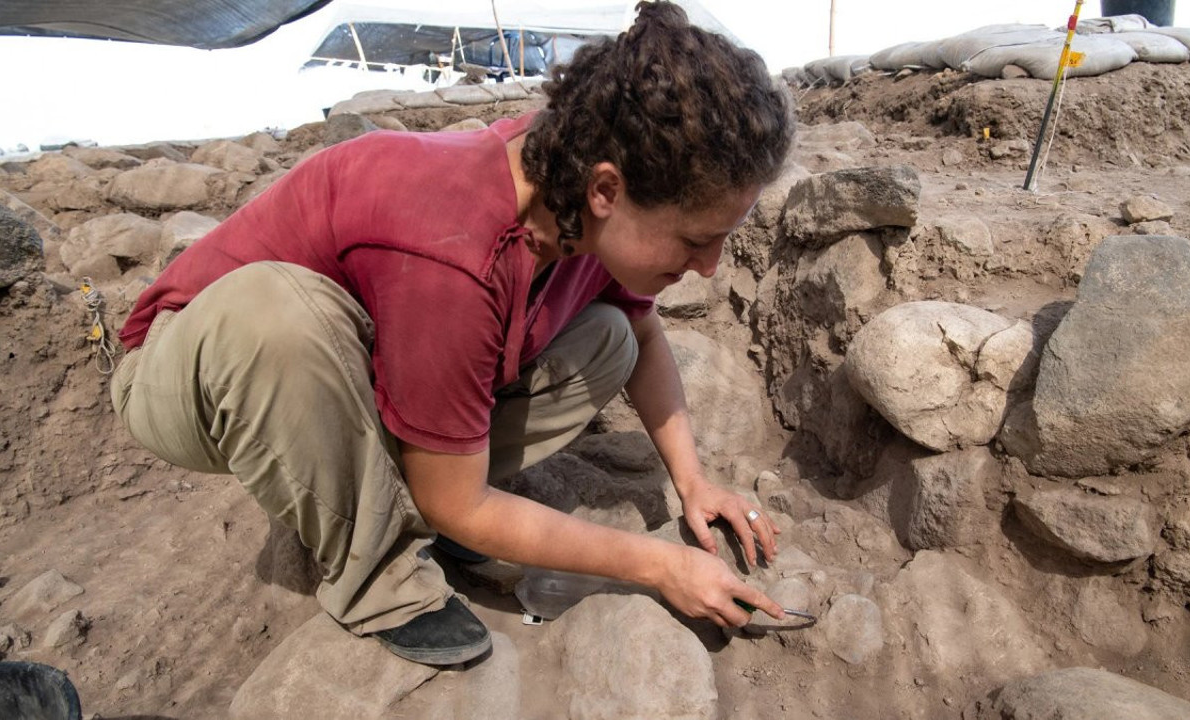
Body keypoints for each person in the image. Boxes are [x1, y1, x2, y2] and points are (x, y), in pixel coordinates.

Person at [109, 0, 795, 666]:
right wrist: (660, 565)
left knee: (610, 338)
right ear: (607, 191)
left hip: (362, 366)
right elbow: (456, 501)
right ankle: (380, 578)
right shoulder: (452, 249)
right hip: (197, 369)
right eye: (696, 240)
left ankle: (401, 492)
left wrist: (694, 483)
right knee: (277, 318)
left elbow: (642, 338)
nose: (710, 267)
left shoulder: (573, 180)